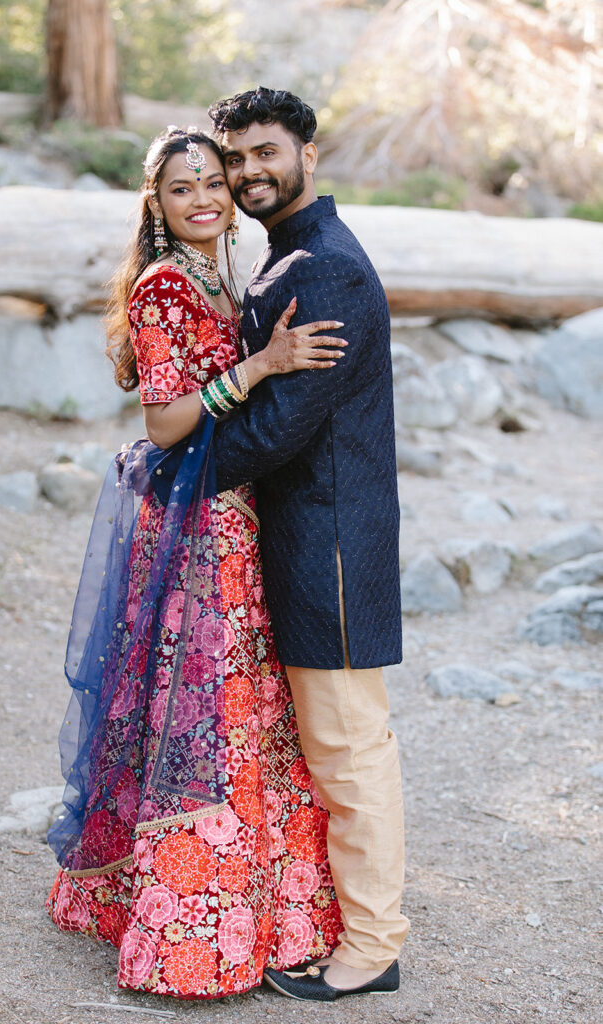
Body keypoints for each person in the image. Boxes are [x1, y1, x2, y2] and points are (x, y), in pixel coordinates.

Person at [46, 127, 349, 999]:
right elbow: (165, 423)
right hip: (191, 529)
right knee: (201, 712)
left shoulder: (228, 272)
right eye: (183, 189)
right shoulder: (166, 286)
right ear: (158, 204)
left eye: (214, 182)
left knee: (241, 708)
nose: (206, 199)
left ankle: (263, 908)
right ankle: (189, 926)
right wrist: (260, 366)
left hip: (233, 515)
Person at [202, 87, 409, 1001]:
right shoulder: (287, 256)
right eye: (234, 157)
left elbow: (283, 426)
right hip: (302, 532)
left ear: (308, 153)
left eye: (265, 153)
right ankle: (338, 923)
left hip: (327, 539)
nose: (250, 171)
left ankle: (373, 947)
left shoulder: (325, 269)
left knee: (349, 749)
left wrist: (179, 465)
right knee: (329, 746)